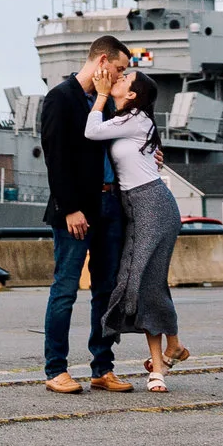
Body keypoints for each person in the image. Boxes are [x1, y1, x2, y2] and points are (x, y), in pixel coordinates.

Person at [39, 36, 134, 394]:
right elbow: (56, 158)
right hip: (76, 209)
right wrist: (70, 208)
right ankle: (55, 369)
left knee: (106, 292)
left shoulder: (107, 103)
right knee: (65, 289)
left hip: (111, 206)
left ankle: (102, 368)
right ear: (104, 61)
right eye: (120, 69)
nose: (122, 75)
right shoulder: (60, 98)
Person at [86, 70, 190, 389]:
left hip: (152, 205)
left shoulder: (133, 118)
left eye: (124, 78)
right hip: (137, 205)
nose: (118, 79)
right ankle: (170, 348)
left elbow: (91, 131)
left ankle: (159, 366)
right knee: (147, 281)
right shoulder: (131, 120)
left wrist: (101, 94)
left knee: (145, 283)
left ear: (132, 94)